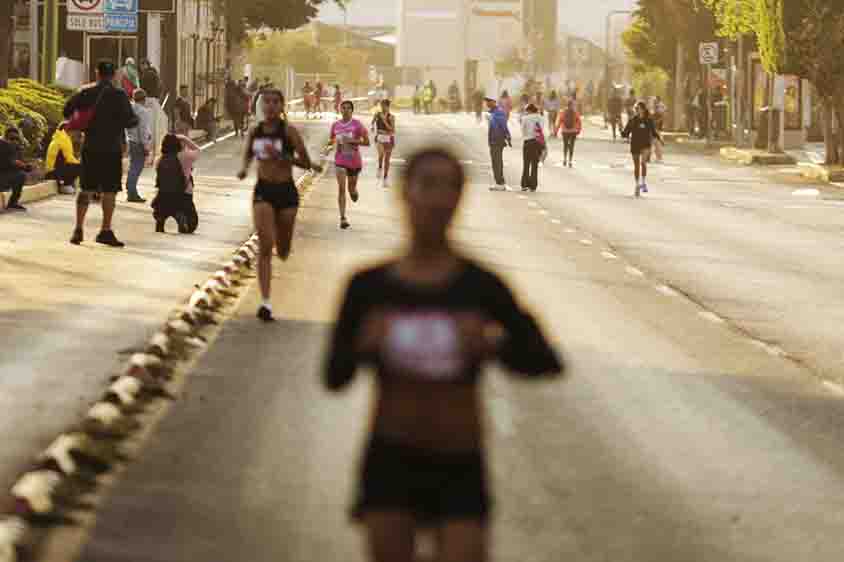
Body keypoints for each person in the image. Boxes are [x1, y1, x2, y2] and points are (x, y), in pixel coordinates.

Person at [323, 146, 564, 562]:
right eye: (428, 185)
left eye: (450, 187)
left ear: (460, 198)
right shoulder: (369, 288)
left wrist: (492, 344)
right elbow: (334, 376)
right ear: (405, 193)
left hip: (459, 461)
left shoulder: (480, 286)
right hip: (391, 459)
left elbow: (544, 360)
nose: (438, 199)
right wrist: (363, 345)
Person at [237, 89, 322, 322]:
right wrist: (244, 169)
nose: (271, 106)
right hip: (263, 191)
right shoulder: (255, 132)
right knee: (265, 245)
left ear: (282, 105)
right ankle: (265, 303)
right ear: (262, 106)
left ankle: (283, 242)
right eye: (267, 102)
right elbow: (248, 155)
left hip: (286, 192)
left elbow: (305, 162)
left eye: (276, 102)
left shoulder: (289, 132)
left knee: (282, 250)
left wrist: (285, 157)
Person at [64, 59, 138, 247]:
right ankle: (105, 230)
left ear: (97, 73)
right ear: (114, 75)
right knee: (110, 190)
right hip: (112, 149)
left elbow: (67, 110)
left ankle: (78, 228)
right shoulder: (119, 95)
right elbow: (131, 121)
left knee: (86, 188)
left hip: (90, 147)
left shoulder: (85, 92)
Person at [330, 100, 370, 230]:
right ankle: (343, 218)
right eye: (343, 108)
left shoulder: (357, 124)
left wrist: (352, 141)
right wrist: (333, 144)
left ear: (352, 110)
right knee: (341, 189)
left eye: (348, 108)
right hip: (340, 161)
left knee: (351, 190)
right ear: (340, 110)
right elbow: (331, 140)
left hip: (354, 161)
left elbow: (367, 142)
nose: (346, 110)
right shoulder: (335, 125)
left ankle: (353, 191)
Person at [151, 134, 193, 234]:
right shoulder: (180, 158)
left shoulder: (160, 159)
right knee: (177, 209)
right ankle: (180, 219)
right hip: (178, 192)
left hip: (163, 192)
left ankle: (160, 223)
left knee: (160, 211)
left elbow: (158, 174)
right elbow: (187, 171)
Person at [621, 101, 664, 197]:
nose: (637, 110)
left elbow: (653, 132)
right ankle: (637, 184)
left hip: (645, 145)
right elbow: (626, 132)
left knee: (643, 162)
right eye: (636, 109)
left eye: (638, 108)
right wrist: (622, 133)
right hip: (635, 144)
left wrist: (660, 139)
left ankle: (643, 182)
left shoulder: (648, 120)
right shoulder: (633, 120)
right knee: (636, 166)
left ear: (643, 109)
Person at [125, 88, 153, 203]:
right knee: (137, 167)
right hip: (139, 142)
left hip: (130, 140)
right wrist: (146, 146)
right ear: (144, 99)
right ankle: (132, 192)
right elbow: (143, 130)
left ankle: (130, 187)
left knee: (133, 166)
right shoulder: (143, 111)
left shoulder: (130, 108)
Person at [45, 122, 82, 195]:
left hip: (51, 171)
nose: (74, 131)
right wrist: (80, 164)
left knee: (76, 165)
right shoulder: (63, 139)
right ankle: (65, 185)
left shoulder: (59, 137)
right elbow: (69, 158)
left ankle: (67, 184)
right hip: (54, 173)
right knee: (79, 167)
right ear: (66, 129)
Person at [0, 128, 30, 212]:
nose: (15, 141)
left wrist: (24, 166)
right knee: (21, 176)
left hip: (4, 174)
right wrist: (25, 166)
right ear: (6, 137)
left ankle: (13, 203)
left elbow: (15, 161)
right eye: (12, 138)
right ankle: (12, 203)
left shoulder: (12, 146)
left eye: (16, 139)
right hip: (2, 176)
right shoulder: (4, 145)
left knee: (20, 175)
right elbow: (13, 162)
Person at [486, 96, 511, 191]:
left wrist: (508, 137)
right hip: (493, 140)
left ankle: (500, 183)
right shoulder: (492, 113)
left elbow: (503, 126)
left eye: (489, 101)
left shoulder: (498, 112)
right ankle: (499, 182)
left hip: (497, 140)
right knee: (496, 161)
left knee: (497, 162)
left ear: (493, 102)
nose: (487, 103)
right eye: (486, 102)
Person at [520, 103, 544, 192]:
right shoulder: (540, 118)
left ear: (529, 110)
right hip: (537, 143)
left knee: (526, 164)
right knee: (534, 165)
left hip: (528, 142)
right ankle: (533, 186)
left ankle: (524, 185)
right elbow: (542, 130)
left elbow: (523, 131)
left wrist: (527, 135)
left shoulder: (525, 118)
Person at [372, 99, 396, 188]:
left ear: (388, 106)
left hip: (389, 139)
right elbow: (372, 122)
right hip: (379, 138)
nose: (382, 107)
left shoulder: (391, 117)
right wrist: (372, 127)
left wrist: (385, 120)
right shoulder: (377, 114)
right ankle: (379, 167)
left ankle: (385, 179)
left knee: (387, 160)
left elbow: (392, 130)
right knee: (381, 153)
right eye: (381, 106)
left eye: (384, 106)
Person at [557, 99, 582, 168]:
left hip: (564, 131)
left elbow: (560, 121)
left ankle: (564, 159)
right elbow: (579, 122)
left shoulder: (563, 112)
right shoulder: (575, 112)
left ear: (567, 105)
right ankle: (570, 161)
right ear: (572, 105)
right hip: (573, 131)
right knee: (572, 146)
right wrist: (578, 130)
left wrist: (557, 130)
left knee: (565, 145)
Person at [653, 96, 667, 163]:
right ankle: (658, 157)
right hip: (656, 127)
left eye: (655, 100)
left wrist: (657, 121)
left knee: (657, 143)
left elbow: (661, 116)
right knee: (656, 142)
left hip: (657, 127)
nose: (654, 102)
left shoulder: (659, 107)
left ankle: (659, 158)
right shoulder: (660, 106)